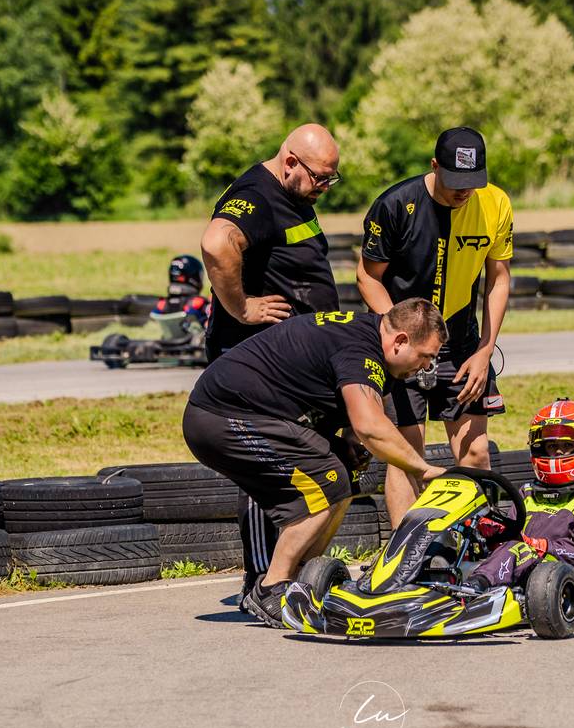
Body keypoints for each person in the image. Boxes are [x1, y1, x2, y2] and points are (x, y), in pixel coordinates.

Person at [182, 299, 449, 627]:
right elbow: (369, 426)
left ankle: (303, 578)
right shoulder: (361, 351)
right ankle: (270, 588)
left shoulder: (374, 346)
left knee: (342, 477)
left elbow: (358, 417)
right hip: (221, 416)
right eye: (426, 357)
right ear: (401, 341)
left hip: (251, 413)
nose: (426, 367)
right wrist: (420, 467)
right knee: (324, 484)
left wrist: (353, 440)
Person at [200, 124, 343, 604]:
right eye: (321, 178)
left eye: (331, 180)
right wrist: (244, 307)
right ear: (289, 163)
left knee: (308, 463)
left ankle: (292, 573)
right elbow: (217, 243)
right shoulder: (256, 195)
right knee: (270, 472)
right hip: (256, 367)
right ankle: (261, 582)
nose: (325, 188)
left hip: (292, 364)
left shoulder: (293, 196)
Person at [357, 127, 513, 525]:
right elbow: (368, 277)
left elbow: (498, 279)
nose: (464, 192)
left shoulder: (495, 204)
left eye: (472, 183)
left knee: (476, 452)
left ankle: (478, 548)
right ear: (434, 166)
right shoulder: (395, 205)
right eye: (456, 182)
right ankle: (401, 558)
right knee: (407, 455)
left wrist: (484, 350)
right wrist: (399, 339)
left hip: (461, 345)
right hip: (404, 344)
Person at [467, 399, 574, 591]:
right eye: (551, 446)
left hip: (561, 573)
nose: (559, 451)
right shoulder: (528, 491)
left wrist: (539, 545)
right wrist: (492, 532)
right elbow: (512, 535)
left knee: (518, 549)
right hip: (519, 564)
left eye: (567, 445)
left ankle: (474, 588)